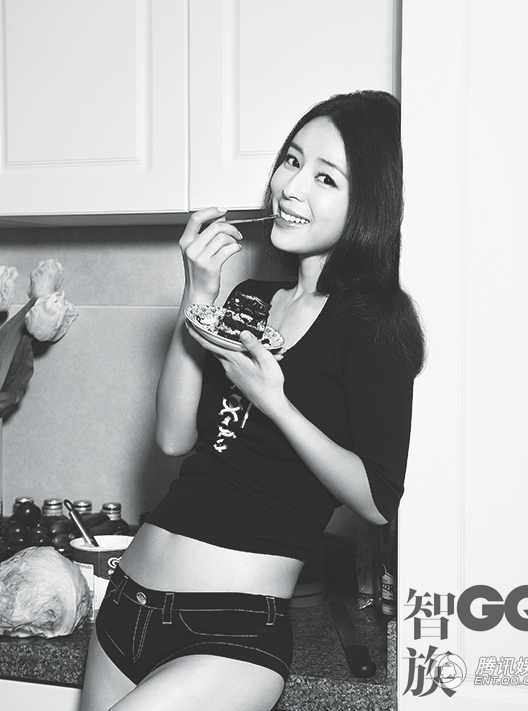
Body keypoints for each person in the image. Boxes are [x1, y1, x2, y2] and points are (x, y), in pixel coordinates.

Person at [79, 90, 425, 711]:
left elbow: (377, 500)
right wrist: (198, 294)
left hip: (228, 634)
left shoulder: (375, 325)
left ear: (369, 203)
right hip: (127, 600)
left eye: (326, 178)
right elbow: (174, 436)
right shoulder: (249, 301)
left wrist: (277, 404)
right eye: (292, 160)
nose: (291, 187)